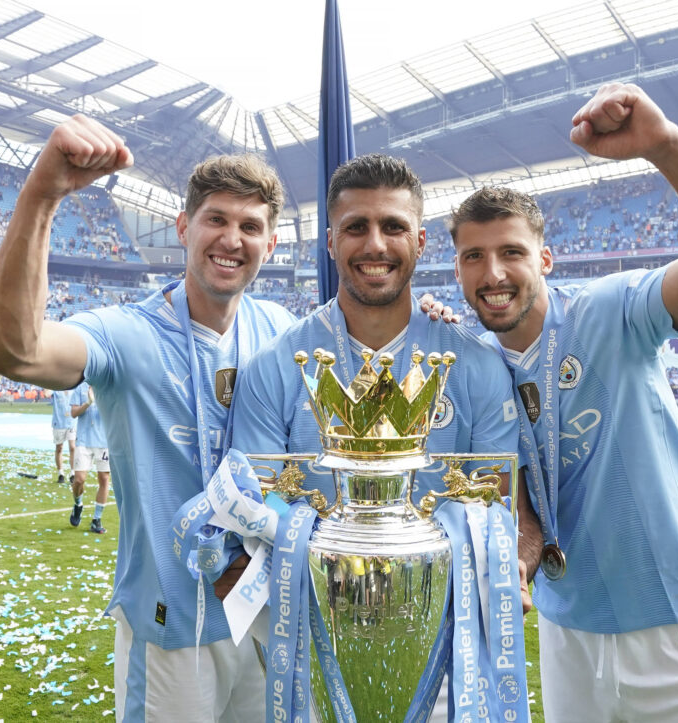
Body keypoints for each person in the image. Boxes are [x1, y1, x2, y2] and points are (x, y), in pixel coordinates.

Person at [449, 82, 678, 722]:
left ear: (545, 257)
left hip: (673, 622)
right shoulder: (470, 361)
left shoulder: (612, 310)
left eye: (512, 252)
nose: (493, 274)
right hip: (566, 626)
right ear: (456, 268)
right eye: (474, 257)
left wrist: (665, 146)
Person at [0, 114, 295, 722]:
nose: (232, 238)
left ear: (271, 244)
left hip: (264, 616)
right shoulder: (126, 334)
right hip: (172, 627)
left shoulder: (283, 332)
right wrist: (43, 195)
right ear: (183, 227)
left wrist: (430, 312)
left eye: (251, 226)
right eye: (216, 220)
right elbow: (11, 350)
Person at [228, 153, 540, 721]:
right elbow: (254, 501)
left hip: (448, 647)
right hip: (308, 642)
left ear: (420, 241)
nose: (375, 244)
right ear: (330, 241)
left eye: (393, 227)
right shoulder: (275, 366)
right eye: (356, 227)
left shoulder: (474, 366)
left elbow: (497, 501)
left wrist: (512, 566)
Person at [69, 382, 110, 534]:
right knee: (79, 479)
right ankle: (78, 505)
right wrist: (88, 403)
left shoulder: (108, 385)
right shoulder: (81, 388)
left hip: (104, 441)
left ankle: (96, 519)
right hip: (84, 440)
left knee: (104, 479)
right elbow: (73, 413)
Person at [50, 386, 76, 485]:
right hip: (59, 423)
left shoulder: (73, 387)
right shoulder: (56, 388)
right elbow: (46, 393)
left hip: (71, 422)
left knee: (73, 447)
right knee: (59, 448)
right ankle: (61, 473)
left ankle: (73, 473)